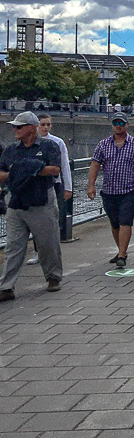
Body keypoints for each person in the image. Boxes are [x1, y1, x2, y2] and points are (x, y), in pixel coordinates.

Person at [0, 112, 63, 302]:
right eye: (14, 127)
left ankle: (53, 277)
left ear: (32, 128)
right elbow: (1, 173)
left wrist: (31, 168)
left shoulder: (49, 146)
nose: (15, 130)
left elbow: (55, 169)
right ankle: (6, 286)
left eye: (19, 127)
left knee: (47, 243)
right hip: (17, 201)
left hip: (41, 200)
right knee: (13, 246)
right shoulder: (11, 150)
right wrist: (17, 172)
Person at [87, 111, 134, 268]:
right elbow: (95, 165)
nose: (118, 126)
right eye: (115, 123)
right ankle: (121, 250)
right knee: (115, 223)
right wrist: (91, 185)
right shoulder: (103, 144)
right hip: (109, 190)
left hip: (129, 189)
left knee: (125, 221)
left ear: (127, 125)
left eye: (122, 123)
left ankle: (122, 255)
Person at [37, 113, 73, 246]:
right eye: (43, 124)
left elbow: (65, 165)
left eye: (48, 124)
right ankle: (38, 248)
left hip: (55, 184)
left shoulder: (57, 142)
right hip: (37, 185)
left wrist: (68, 188)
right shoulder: (32, 142)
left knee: (54, 216)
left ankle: (53, 244)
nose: (46, 127)